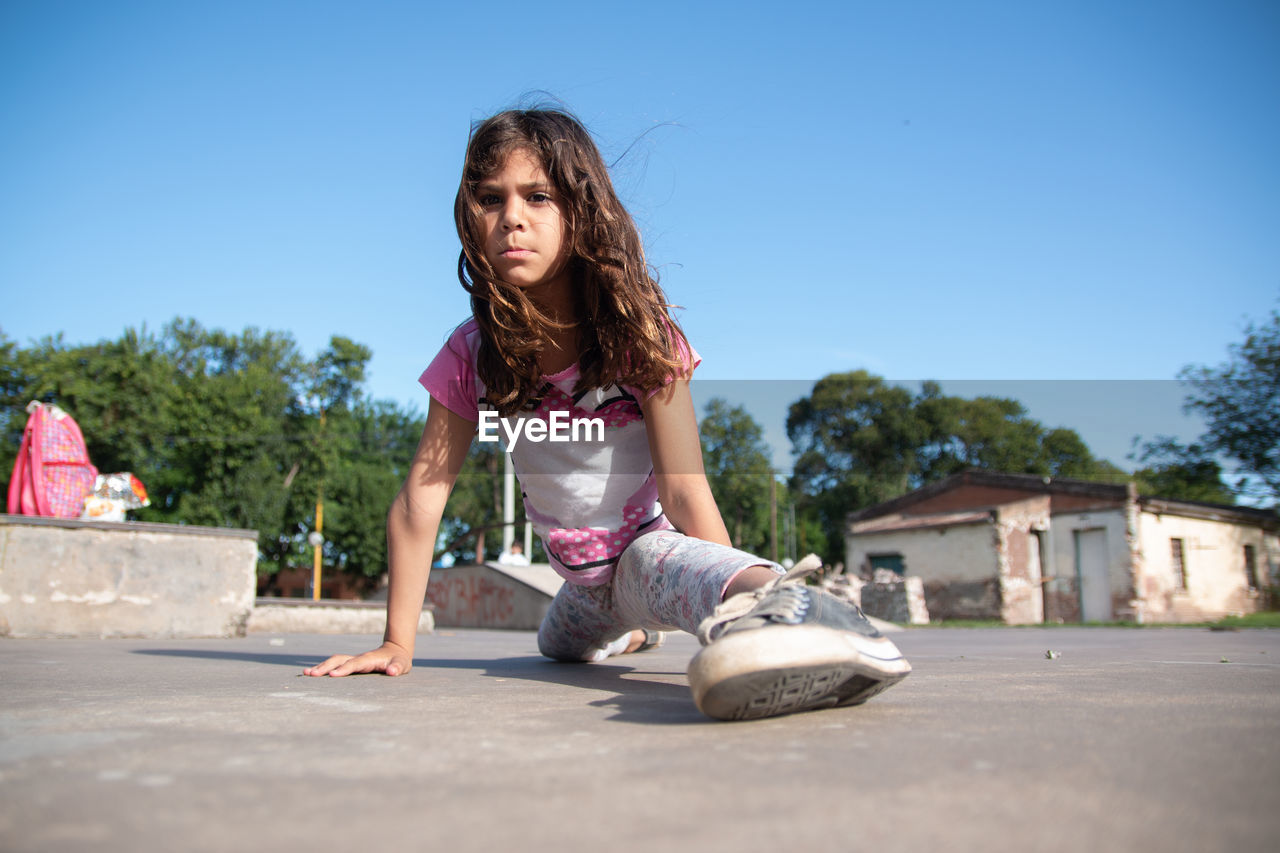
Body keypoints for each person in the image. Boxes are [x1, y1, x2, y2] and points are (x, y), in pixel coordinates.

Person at [303, 106, 910, 720]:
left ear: (581, 212)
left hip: (650, 551)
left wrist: (731, 610)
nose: (511, 217)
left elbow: (685, 493)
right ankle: (639, 630)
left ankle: (803, 611)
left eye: (538, 196)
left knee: (653, 564)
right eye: (491, 198)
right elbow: (419, 502)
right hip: (583, 584)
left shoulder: (640, 338)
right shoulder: (471, 352)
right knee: (556, 644)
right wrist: (396, 642)